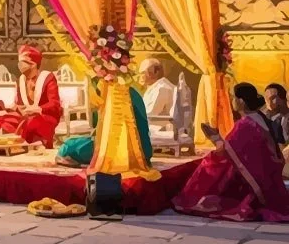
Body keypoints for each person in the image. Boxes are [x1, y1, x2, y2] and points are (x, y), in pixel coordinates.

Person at [173, 83, 289, 223]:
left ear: (240, 101)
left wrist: (214, 137)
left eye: (234, 98)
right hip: (268, 179)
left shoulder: (246, 124)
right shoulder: (258, 117)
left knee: (207, 165)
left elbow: (227, 152)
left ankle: (190, 197)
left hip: (256, 183)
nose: (232, 101)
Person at [55, 80, 153, 167]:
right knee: (74, 144)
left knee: (68, 147)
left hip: (121, 150)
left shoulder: (114, 94)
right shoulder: (131, 92)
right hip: (145, 151)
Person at [0, 44, 62, 148]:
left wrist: (38, 109)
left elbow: (55, 104)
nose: (20, 65)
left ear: (33, 64)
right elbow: (20, 106)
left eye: (24, 62)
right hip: (25, 117)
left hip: (45, 117)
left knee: (31, 121)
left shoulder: (48, 78)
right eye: (20, 62)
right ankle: (5, 146)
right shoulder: (21, 80)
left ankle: (24, 145)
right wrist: (15, 107)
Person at [140, 58, 176, 134]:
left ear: (156, 72)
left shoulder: (162, 88)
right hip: (154, 126)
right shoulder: (156, 87)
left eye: (143, 72)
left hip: (160, 129)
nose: (140, 76)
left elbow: (150, 113)